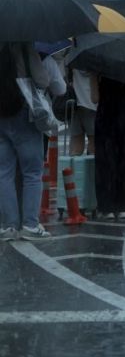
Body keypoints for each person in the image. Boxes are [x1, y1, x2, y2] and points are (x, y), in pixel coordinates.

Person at [0, 42, 52, 240]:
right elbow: (42, 80)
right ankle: (30, 224)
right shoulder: (24, 46)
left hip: (1, 114)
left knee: (4, 172)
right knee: (32, 172)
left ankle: (8, 225)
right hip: (23, 113)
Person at [93, 76, 125, 221]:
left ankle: (107, 207)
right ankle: (122, 207)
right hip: (122, 115)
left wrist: (93, 78)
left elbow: (94, 98)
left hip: (105, 114)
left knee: (106, 161)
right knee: (123, 160)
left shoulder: (98, 69)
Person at [69, 69, 97, 155]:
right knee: (94, 144)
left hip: (74, 104)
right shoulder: (96, 59)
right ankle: (91, 168)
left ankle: (74, 167)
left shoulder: (72, 58)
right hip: (92, 105)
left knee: (76, 147)